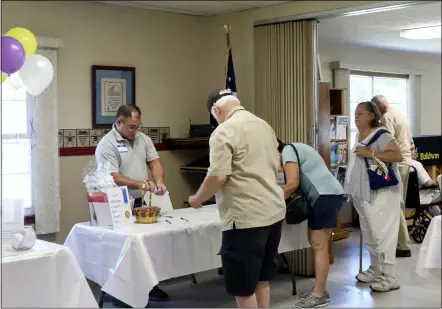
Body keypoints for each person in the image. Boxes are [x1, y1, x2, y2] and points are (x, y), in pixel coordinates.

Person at [188, 89, 286, 308]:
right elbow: (277, 166)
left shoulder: (224, 131)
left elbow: (218, 176)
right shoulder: (264, 125)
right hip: (273, 212)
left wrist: (198, 198)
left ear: (216, 110)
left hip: (245, 218)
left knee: (242, 287)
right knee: (262, 279)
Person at [95, 105, 169, 302]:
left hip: (142, 200)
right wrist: (140, 183)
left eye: (138, 126)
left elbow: (155, 163)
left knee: (148, 244)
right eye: (131, 127)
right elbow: (113, 176)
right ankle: (120, 291)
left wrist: (159, 181)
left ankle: (151, 286)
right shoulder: (107, 144)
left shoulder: (143, 139)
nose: (135, 131)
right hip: (119, 201)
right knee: (125, 248)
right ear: (119, 122)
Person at [277, 140, 344, 308]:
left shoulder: (287, 151)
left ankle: (319, 295)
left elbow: (292, 184)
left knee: (319, 245)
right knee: (316, 242)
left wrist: (273, 201)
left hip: (325, 196)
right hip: (328, 195)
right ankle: (320, 289)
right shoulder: (296, 148)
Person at [345, 101, 403, 292]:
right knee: (370, 234)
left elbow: (397, 155)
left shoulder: (381, 134)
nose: (356, 117)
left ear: (371, 115)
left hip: (382, 194)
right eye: (354, 114)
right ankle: (376, 269)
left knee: (383, 234)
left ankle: (390, 276)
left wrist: (370, 153)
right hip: (363, 195)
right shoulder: (358, 134)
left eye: (360, 114)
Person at [371, 94, 413, 258]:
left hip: (397, 164)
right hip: (406, 162)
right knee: (399, 204)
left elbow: (387, 144)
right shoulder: (399, 114)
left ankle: (402, 245)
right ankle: (400, 243)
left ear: (379, 106)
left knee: (395, 206)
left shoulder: (387, 118)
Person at [410, 144, 441, 216]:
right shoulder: (415, 164)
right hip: (420, 198)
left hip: (407, 200)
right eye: (411, 150)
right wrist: (435, 183)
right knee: (433, 192)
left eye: (415, 149)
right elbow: (428, 183)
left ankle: (437, 220)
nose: (415, 151)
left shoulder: (397, 165)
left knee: (430, 195)